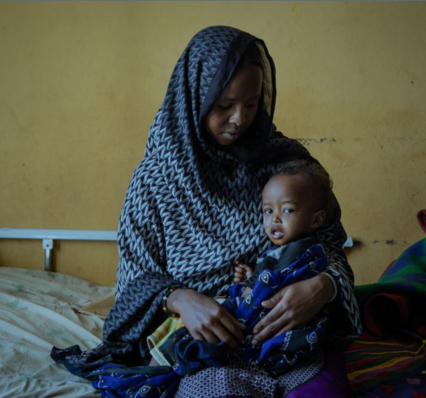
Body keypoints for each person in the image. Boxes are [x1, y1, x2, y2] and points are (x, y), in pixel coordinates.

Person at [51, 26, 362, 398]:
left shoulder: (286, 166)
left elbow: (330, 246)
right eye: (224, 105)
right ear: (194, 98)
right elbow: (133, 279)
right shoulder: (157, 178)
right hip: (206, 343)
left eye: (251, 103)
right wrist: (181, 298)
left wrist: (323, 287)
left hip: (290, 335)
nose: (239, 119)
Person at [146, 160, 336, 380]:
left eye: (287, 210)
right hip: (205, 304)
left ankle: (153, 375)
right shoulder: (289, 249)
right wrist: (251, 278)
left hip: (259, 325)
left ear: (317, 219)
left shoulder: (298, 251)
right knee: (182, 323)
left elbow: (271, 291)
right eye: (268, 210)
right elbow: (272, 280)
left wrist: (248, 288)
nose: (274, 218)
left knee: (182, 334)